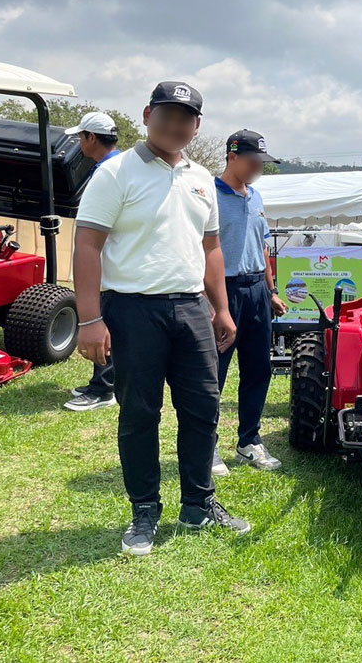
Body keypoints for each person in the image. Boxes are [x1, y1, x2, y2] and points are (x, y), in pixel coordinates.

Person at [74, 81, 249, 557]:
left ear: (197, 126)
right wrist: (89, 320)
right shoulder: (115, 173)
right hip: (133, 309)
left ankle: (198, 505)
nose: (175, 125)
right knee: (139, 413)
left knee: (203, 408)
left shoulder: (201, 178)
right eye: (166, 115)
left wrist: (220, 308)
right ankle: (145, 511)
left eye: (185, 118)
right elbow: (87, 244)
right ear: (148, 114)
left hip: (192, 308)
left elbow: (211, 248)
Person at [212, 129, 287, 476]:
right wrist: (212, 303)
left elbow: (263, 248)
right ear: (232, 157)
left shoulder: (256, 197)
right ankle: (207, 446)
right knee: (213, 373)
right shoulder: (209, 196)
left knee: (258, 369)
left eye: (263, 162)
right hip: (222, 291)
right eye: (254, 161)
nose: (259, 168)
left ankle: (249, 442)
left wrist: (270, 292)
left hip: (257, 291)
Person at [64, 111, 122, 412]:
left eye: (80, 137)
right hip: (110, 261)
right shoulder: (113, 167)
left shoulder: (110, 171)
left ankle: (104, 389)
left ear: (92, 137)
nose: (79, 143)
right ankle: (101, 382)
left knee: (105, 324)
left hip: (110, 262)